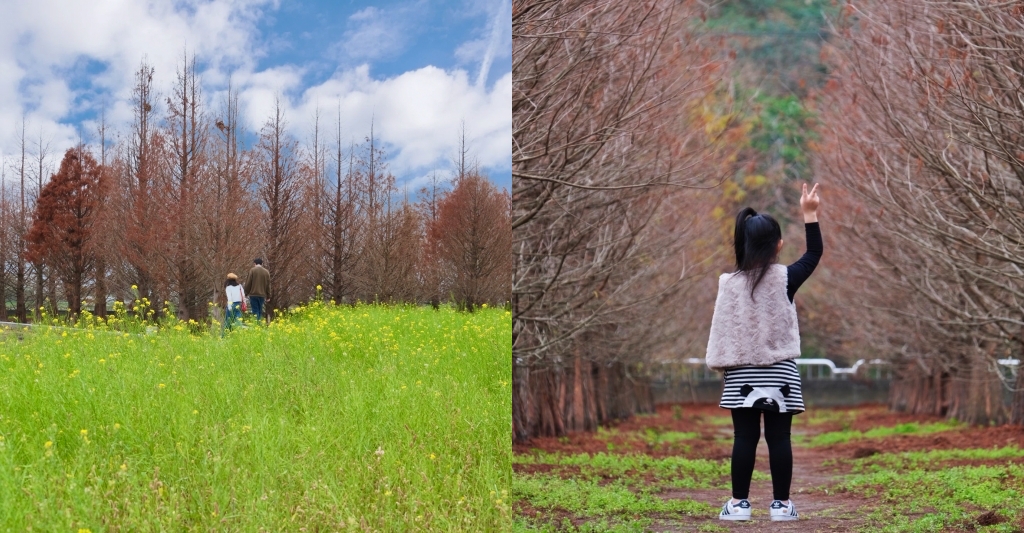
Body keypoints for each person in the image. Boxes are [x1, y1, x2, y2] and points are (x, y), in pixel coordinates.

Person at [706, 183, 822, 522]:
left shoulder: (728, 282)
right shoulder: (786, 278)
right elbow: (813, 254)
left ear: (743, 244)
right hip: (780, 372)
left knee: (744, 437)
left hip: (741, 373)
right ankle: (782, 507)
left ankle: (739, 505)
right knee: (779, 438)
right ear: (778, 246)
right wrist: (810, 213)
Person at [244, 258, 271, 323]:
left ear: (255, 263)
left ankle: (256, 324)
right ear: (262, 264)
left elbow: (248, 283)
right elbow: (268, 285)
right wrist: (268, 295)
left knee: (255, 310)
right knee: (260, 310)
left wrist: (245, 293)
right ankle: (259, 324)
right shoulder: (266, 272)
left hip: (253, 294)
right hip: (262, 295)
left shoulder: (252, 270)